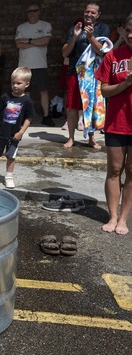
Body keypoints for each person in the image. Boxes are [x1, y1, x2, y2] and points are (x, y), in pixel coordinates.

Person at [94, 14, 132, 235]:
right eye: (127, 29)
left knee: (131, 171)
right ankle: (113, 216)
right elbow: (105, 90)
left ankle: (124, 219)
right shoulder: (113, 57)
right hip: (116, 123)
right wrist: (126, 83)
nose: (129, 35)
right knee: (114, 170)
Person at [62, 3, 109, 149]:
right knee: (72, 107)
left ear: (98, 15)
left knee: (92, 105)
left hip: (93, 73)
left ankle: (91, 138)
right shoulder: (74, 28)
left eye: (93, 13)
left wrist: (90, 36)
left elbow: (102, 51)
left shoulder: (102, 28)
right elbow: (65, 53)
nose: (89, 14)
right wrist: (75, 37)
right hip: (75, 71)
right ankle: (71, 138)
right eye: (87, 12)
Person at [0, 67, 35, 189]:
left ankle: (8, 177)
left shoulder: (27, 101)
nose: (15, 85)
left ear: (27, 84)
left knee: (11, 156)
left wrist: (21, 132)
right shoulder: (5, 97)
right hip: (0, 132)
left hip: (14, 135)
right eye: (13, 83)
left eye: (18, 83)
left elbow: (29, 118)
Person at [15, 3, 55, 127]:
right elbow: (18, 44)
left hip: (40, 64)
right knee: (25, 92)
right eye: (29, 11)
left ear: (39, 12)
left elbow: (46, 41)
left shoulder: (45, 25)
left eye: (34, 11)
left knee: (43, 91)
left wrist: (28, 41)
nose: (31, 13)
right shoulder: (21, 27)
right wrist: (36, 42)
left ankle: (46, 116)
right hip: (24, 65)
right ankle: (27, 117)